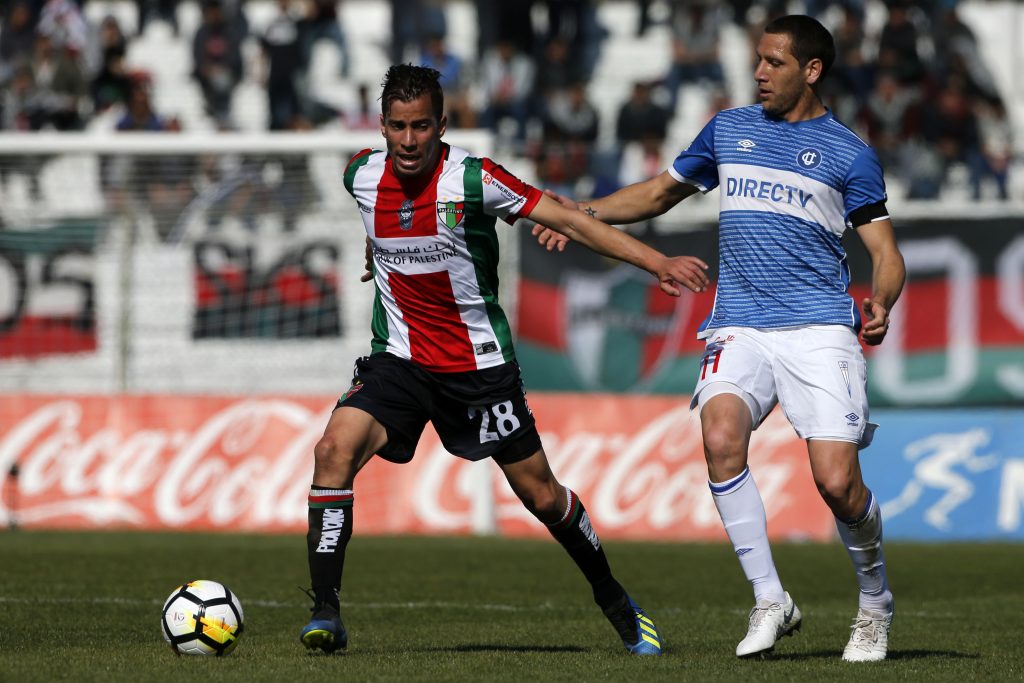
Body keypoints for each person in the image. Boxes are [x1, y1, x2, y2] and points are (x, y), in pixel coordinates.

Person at [299, 64, 711, 656]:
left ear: (441, 125)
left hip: (478, 368)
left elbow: (568, 219)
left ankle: (618, 603)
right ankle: (326, 614)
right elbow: (381, 221)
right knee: (332, 450)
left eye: (421, 127)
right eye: (398, 127)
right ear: (382, 127)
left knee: (542, 496)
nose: (410, 140)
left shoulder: (474, 177)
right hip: (400, 360)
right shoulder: (360, 175)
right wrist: (376, 249)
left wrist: (657, 263)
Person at [534, 15, 906, 663]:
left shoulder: (849, 153)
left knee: (839, 484)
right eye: (758, 60)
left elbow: (886, 251)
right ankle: (770, 598)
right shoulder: (729, 129)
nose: (759, 72)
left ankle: (874, 603)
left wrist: (884, 298)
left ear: (812, 70)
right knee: (720, 437)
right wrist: (581, 215)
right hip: (738, 322)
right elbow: (658, 192)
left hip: (819, 328)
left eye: (775, 63)